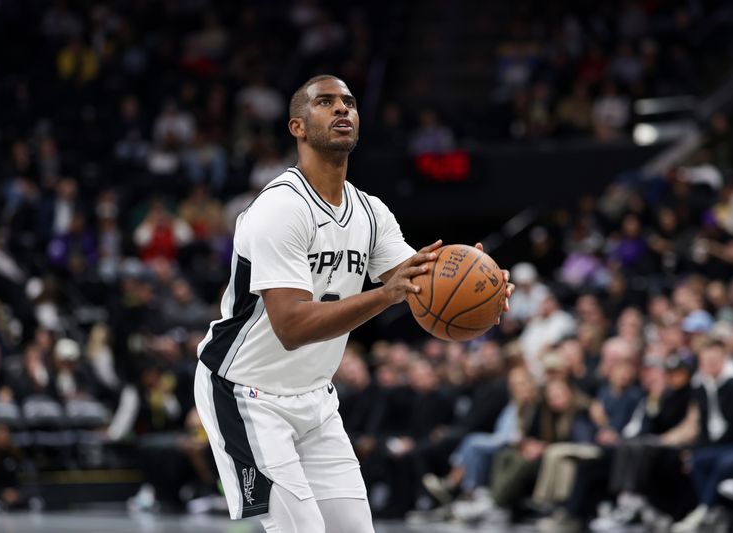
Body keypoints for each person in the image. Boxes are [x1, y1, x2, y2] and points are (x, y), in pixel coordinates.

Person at [193, 75, 513, 532]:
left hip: (316, 398)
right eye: (325, 102)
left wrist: (486, 286)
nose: (342, 109)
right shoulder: (279, 208)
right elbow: (292, 326)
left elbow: (423, 286)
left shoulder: (370, 212)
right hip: (244, 393)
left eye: (349, 102)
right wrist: (385, 293)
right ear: (298, 127)